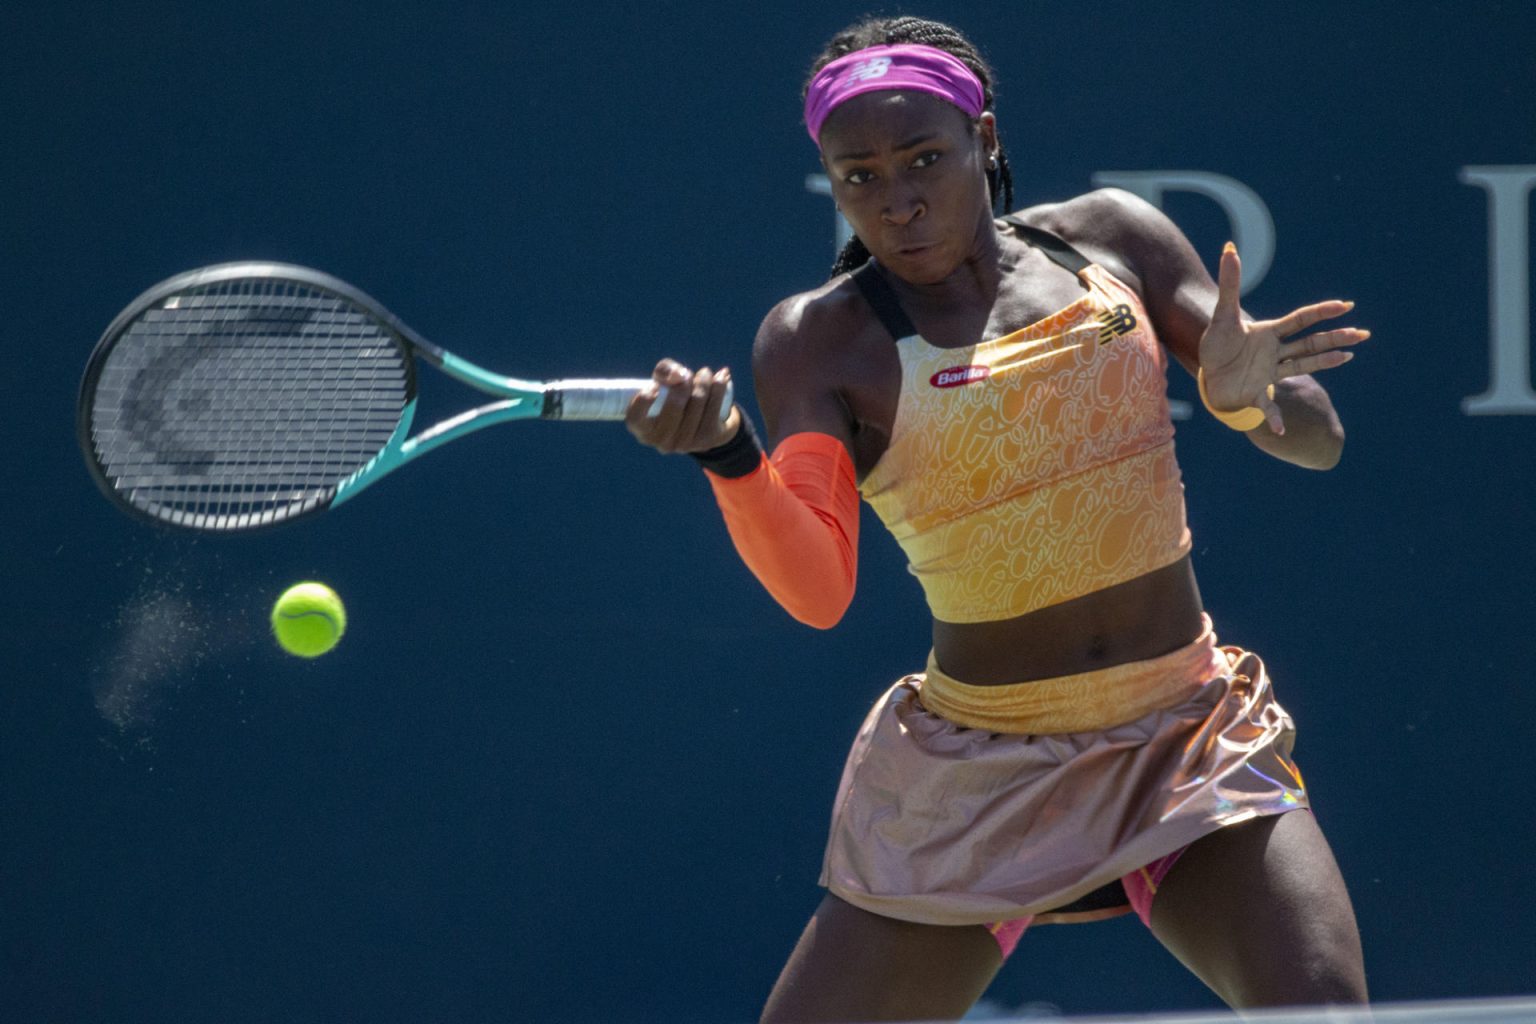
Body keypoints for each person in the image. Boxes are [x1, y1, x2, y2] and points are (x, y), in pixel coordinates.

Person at [627, 15, 1369, 1023]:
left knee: (1321, 1014)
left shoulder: (1115, 240)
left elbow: (1317, 440)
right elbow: (817, 588)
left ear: (985, 139)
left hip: (1186, 742)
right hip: (974, 776)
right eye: (860, 176)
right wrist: (729, 457)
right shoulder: (818, 342)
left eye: (926, 157)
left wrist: (1245, 398)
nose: (898, 199)